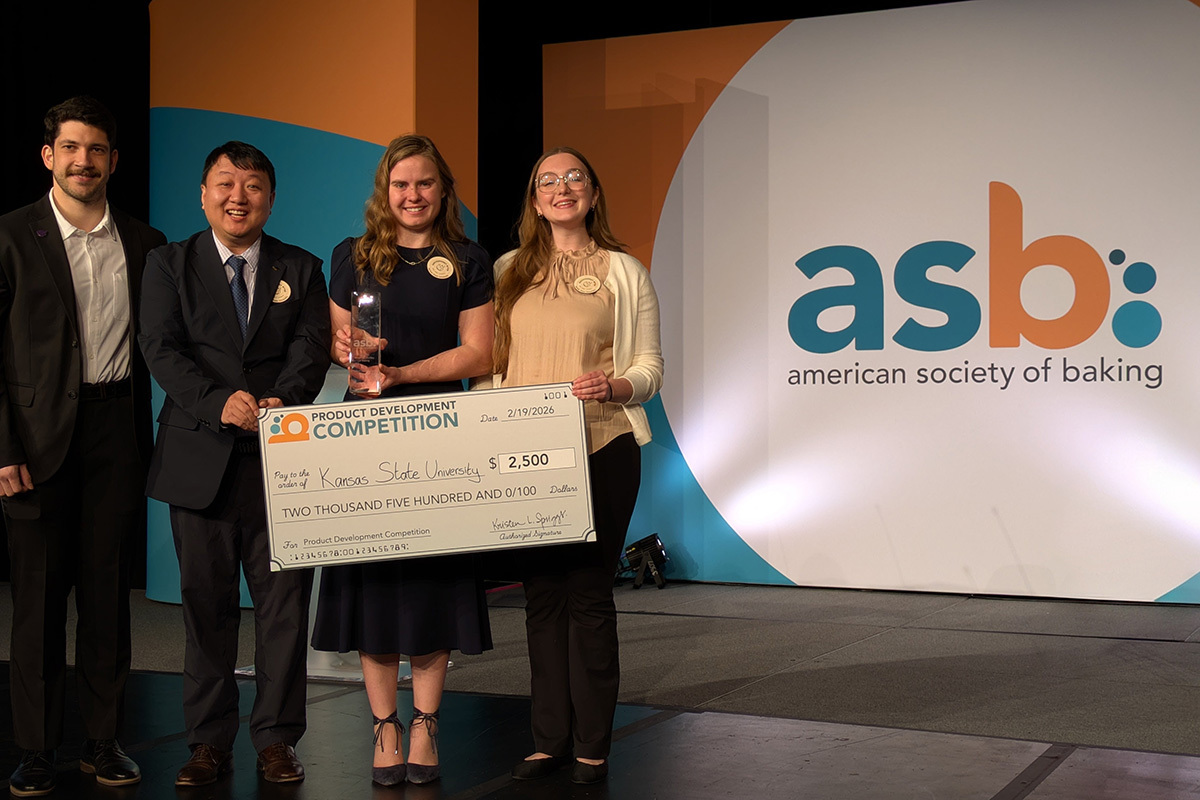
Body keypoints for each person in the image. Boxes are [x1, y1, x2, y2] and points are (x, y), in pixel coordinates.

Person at [138, 141, 331, 787]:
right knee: (205, 611)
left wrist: (285, 399)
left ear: (271, 199)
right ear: (203, 193)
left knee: (282, 612)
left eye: (252, 186)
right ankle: (208, 744)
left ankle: (278, 740)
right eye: (225, 184)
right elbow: (160, 350)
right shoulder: (167, 264)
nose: (238, 197)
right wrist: (220, 403)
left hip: (282, 463)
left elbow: (311, 348)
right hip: (199, 460)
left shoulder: (300, 267)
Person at [310, 134, 494, 787]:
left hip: (439, 435)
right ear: (383, 192)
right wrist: (351, 347)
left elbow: (479, 355)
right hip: (366, 439)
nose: (412, 196)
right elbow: (340, 343)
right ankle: (385, 726)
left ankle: (426, 723)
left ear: (442, 191)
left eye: (424, 184)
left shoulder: (468, 260)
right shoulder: (351, 256)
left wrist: (405, 374)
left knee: (433, 584)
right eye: (400, 185)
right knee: (376, 586)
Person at [0, 96, 165, 797]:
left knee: (106, 599)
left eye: (96, 149)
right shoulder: (9, 235)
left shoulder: (144, 241)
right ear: (48, 156)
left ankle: (102, 741)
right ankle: (37, 750)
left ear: (113, 161)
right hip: (33, 444)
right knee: (37, 604)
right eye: (70, 148)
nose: (83, 161)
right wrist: (3, 448)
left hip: (114, 436)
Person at [491, 147, 662, 785]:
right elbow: (491, 368)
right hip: (525, 451)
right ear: (535, 201)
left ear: (592, 192)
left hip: (601, 445)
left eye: (575, 178)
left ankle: (593, 746)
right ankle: (548, 741)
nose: (562, 189)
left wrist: (615, 386)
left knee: (588, 594)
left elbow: (649, 369)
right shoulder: (508, 269)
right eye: (548, 182)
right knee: (540, 597)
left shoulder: (624, 270)